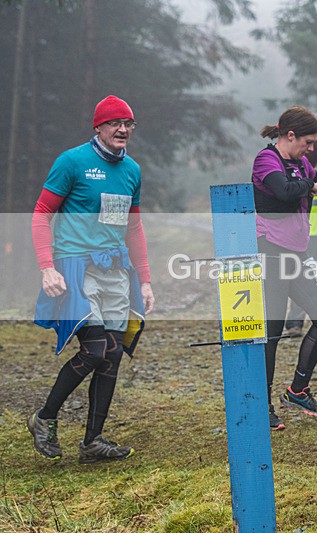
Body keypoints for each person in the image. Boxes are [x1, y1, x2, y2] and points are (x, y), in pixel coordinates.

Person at [29, 95, 155, 464]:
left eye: (128, 123)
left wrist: (144, 280)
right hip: (75, 268)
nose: (122, 129)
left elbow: (134, 228)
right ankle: (44, 418)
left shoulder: (132, 169)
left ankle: (92, 442)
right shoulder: (72, 161)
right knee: (95, 349)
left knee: (113, 355)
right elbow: (40, 214)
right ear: (98, 127)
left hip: (116, 272)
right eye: (115, 123)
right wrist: (46, 266)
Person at [252, 105, 317, 431]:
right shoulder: (266, 160)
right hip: (271, 256)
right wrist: (311, 186)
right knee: (271, 334)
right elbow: (283, 191)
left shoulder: (301, 162)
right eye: (307, 142)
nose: (309, 149)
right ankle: (263, 407)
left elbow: (316, 181)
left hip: (298, 256)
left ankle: (298, 390)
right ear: (290, 136)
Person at [283, 104, 317, 338]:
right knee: (307, 274)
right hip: (310, 227)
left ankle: (314, 318)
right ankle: (296, 322)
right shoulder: (308, 157)